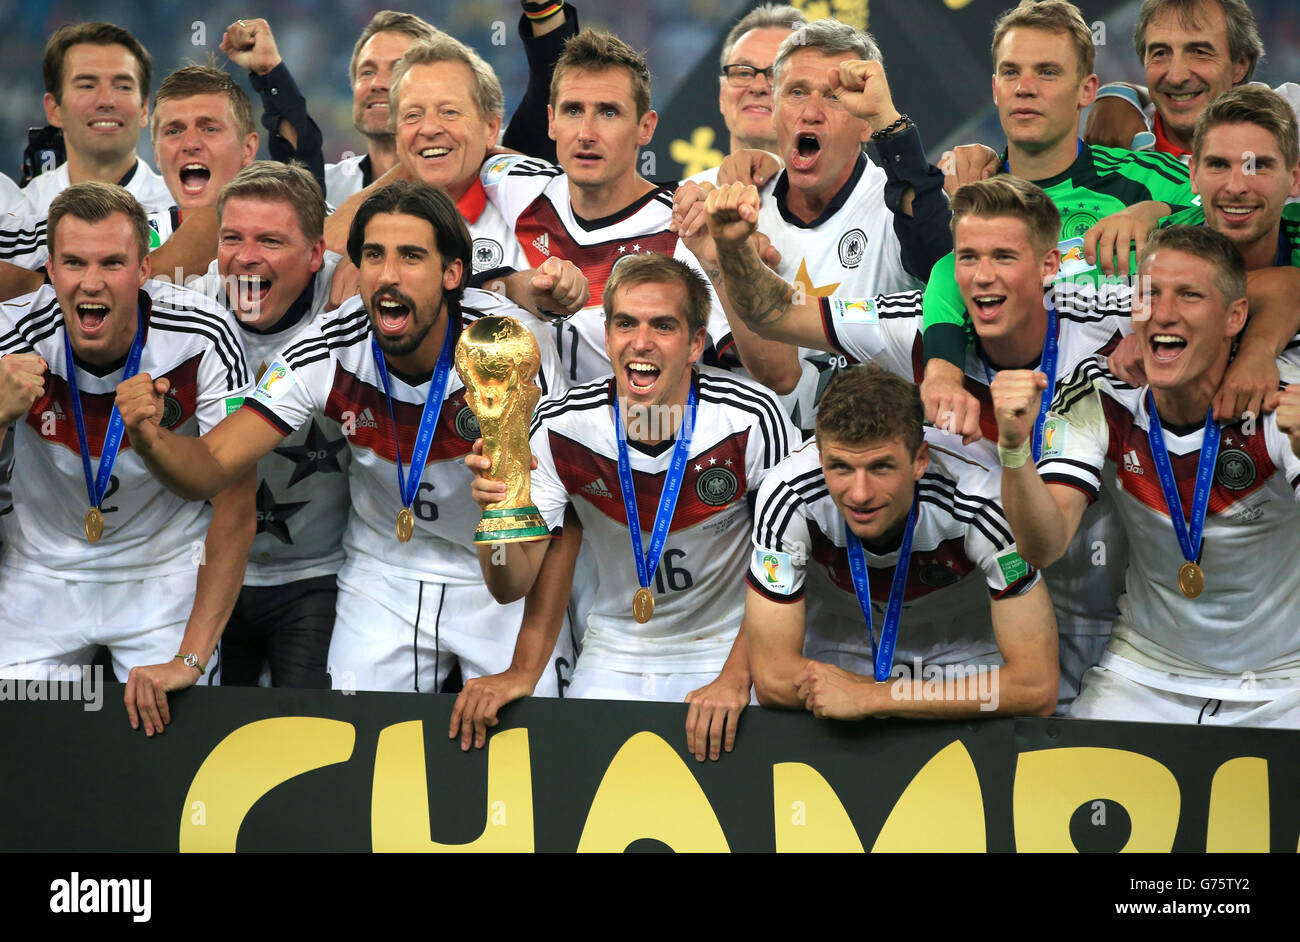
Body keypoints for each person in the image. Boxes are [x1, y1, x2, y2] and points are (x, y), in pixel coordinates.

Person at [115, 180, 573, 696]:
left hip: (505, 569)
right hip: (385, 571)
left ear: (453, 274)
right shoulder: (331, 344)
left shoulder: (509, 348)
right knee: (359, 745)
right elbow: (214, 463)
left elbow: (563, 523)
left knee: (528, 736)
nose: (388, 276)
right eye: (374, 256)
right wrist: (152, 440)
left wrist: (524, 669)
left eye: (411, 257)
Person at [705, 175, 1134, 708]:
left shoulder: (1103, 339)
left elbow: (1228, 284)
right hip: (973, 599)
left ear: (1049, 266)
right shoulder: (911, 327)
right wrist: (731, 249)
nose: (981, 277)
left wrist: (1154, 214)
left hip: (1095, 598)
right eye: (967, 257)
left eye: (1003, 257)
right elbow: (775, 313)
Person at [465, 252, 795, 761]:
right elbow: (509, 586)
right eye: (626, 324)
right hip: (617, 648)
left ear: (695, 344)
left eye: (663, 326)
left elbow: (786, 567)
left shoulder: (753, 419)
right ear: (607, 335)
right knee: (580, 799)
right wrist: (501, 513)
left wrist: (735, 680)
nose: (641, 342)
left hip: (727, 646)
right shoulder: (561, 427)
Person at [997, 224, 1300, 727]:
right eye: (1150, 294)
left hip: (1284, 681)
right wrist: (1013, 452)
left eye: (1189, 295)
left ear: (1234, 317)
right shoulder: (1099, 392)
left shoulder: (1280, 400)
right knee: (1068, 789)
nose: (1162, 312)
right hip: (1147, 672)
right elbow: (1042, 546)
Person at [0, 183, 254, 733]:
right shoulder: (11, 337)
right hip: (39, 573)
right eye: (73, 262)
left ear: (143, 269)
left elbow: (236, 504)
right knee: (26, 762)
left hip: (163, 574)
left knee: (169, 765)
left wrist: (190, 659)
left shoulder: (204, 335)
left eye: (112, 262)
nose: (91, 282)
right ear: (50, 268)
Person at [920, 0, 1199, 444]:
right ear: (995, 88)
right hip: (1010, 438)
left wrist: (1157, 213)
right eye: (1011, 73)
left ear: (1087, 89)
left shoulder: (1149, 181)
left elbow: (1238, 219)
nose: (1025, 88)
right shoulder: (969, 196)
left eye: (1047, 72)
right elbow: (944, 276)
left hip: (1146, 432)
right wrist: (941, 371)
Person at [481, 28, 797, 392]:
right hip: (543, 446)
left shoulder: (686, 230)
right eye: (573, 110)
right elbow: (453, 156)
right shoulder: (513, 183)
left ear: (645, 127)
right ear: (552, 121)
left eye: (609, 113)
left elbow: (782, 376)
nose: (586, 132)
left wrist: (725, 260)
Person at [676, 19, 949, 437]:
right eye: (796, 92)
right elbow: (772, 373)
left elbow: (940, 259)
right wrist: (722, 257)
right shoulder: (722, 208)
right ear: (775, 111)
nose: (811, 112)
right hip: (757, 470)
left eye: (835, 97)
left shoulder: (901, 205)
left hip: (879, 464)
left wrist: (891, 126)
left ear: (865, 123)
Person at [747, 365, 1058, 719]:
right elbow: (772, 678)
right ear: (820, 460)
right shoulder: (790, 494)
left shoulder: (981, 500)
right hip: (839, 653)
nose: (860, 495)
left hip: (963, 660)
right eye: (841, 468)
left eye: (881, 468)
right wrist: (863, 692)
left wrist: (872, 698)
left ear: (920, 461)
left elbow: (1036, 687)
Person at [189, 161, 347, 687]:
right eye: (232, 237)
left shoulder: (354, 306)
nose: (247, 256)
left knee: (312, 735)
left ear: (316, 254)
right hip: (202, 572)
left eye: (270, 241)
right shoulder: (184, 310)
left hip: (319, 577)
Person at [0, 65, 261, 288]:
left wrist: (41, 285)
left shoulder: (282, 229)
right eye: (173, 131)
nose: (190, 143)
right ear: (157, 154)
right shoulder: (122, 222)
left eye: (210, 128)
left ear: (248, 149)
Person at [1084, 0, 1298, 163]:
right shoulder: (1112, 149)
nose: (1176, 77)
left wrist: (1122, 95)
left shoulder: (1291, 123)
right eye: (1160, 53)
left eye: (1199, 52)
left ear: (1239, 65)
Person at [24, 23, 172, 214]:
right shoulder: (20, 215)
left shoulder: (183, 212)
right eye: (86, 85)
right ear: (54, 109)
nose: (106, 100)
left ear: (145, 109)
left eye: (123, 87)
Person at [687, 3, 806, 186]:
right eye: (743, 73)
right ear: (722, 96)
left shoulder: (848, 201)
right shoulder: (678, 205)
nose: (758, 87)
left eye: (777, 74)